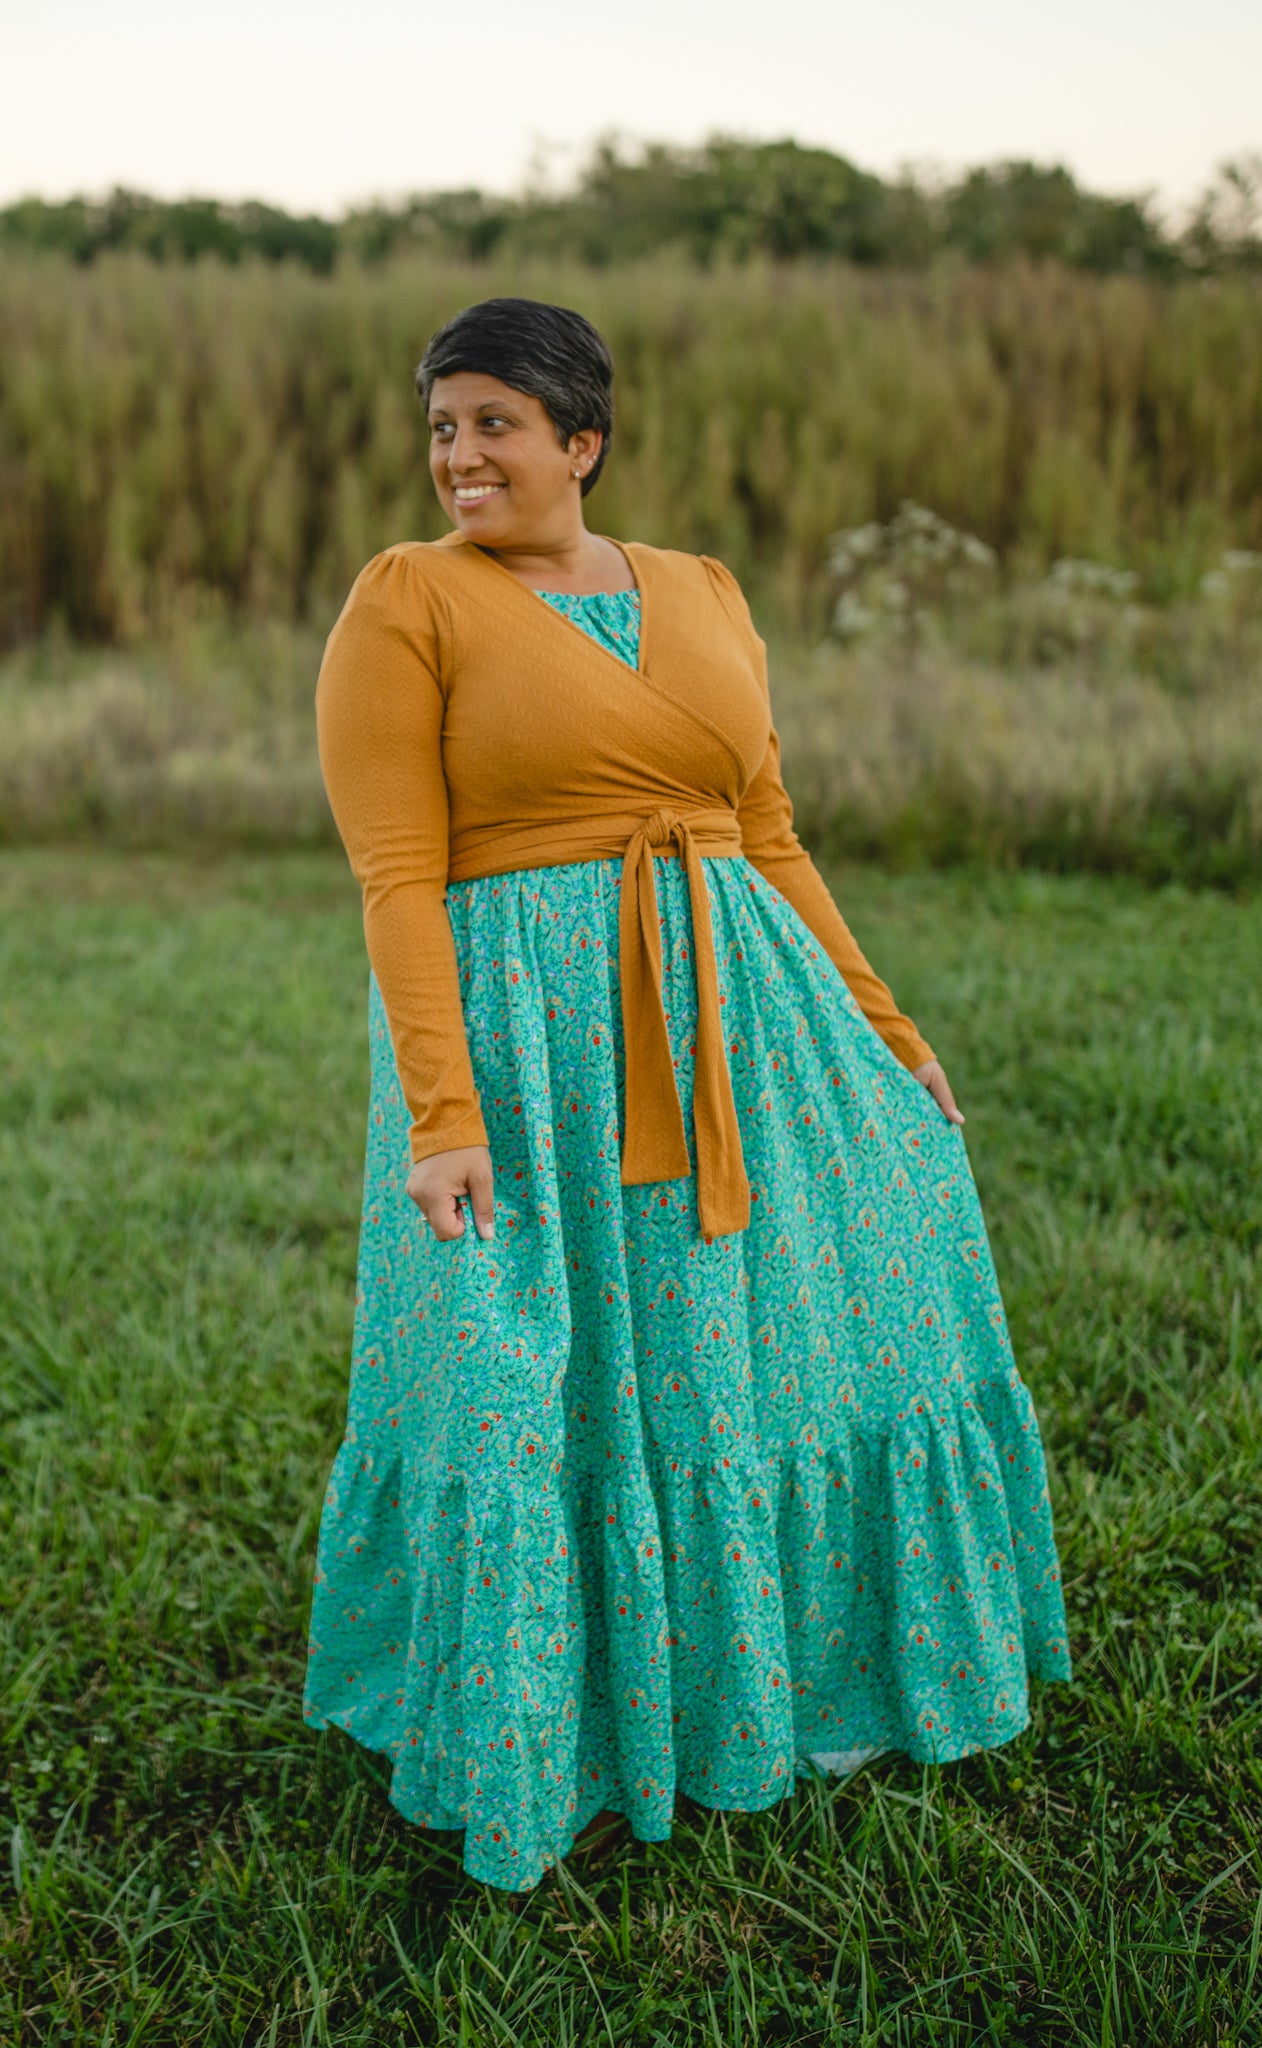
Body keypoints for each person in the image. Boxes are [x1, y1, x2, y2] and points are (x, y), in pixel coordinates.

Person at [303, 295, 1073, 1895]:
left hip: (747, 1024)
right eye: (442, 426)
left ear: (581, 441)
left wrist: (884, 1023)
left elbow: (769, 829)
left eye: (494, 424)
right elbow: (394, 873)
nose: (458, 456)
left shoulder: (705, 593)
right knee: (549, 1383)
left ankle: (763, 1687)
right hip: (531, 1044)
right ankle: (557, 1731)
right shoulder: (405, 603)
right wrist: (446, 1113)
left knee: (758, 1350)